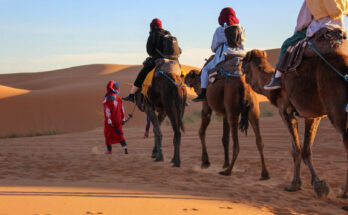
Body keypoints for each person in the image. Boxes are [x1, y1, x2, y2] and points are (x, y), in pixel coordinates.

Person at [264, 0, 348, 90]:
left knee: (286, 44)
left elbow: (304, 21)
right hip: (339, 30)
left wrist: (297, 31)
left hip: (318, 28)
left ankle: (277, 78)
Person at [192, 7, 246, 102]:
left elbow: (213, 48)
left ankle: (203, 93)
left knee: (205, 70)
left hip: (225, 56)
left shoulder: (220, 30)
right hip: (242, 56)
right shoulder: (241, 28)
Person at [122, 18, 179, 102]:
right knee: (180, 75)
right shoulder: (168, 34)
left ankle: (132, 95)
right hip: (173, 61)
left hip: (158, 60)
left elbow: (149, 51)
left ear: (153, 26)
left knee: (142, 74)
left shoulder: (153, 35)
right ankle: (182, 96)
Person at [103, 80, 128, 154]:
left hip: (111, 121)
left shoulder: (107, 99)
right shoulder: (118, 99)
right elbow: (122, 110)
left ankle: (109, 151)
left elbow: (107, 111)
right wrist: (123, 119)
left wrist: (109, 121)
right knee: (120, 135)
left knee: (108, 135)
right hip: (119, 120)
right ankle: (125, 150)